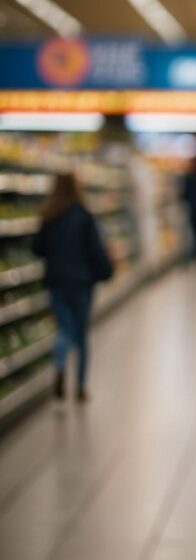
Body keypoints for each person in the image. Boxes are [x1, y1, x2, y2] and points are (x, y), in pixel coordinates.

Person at [31, 172, 113, 401]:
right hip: (81, 283)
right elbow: (95, 249)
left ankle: (59, 366)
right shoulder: (84, 216)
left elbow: (36, 247)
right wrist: (105, 270)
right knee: (81, 334)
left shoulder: (48, 215)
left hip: (56, 282)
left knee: (64, 329)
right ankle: (81, 386)